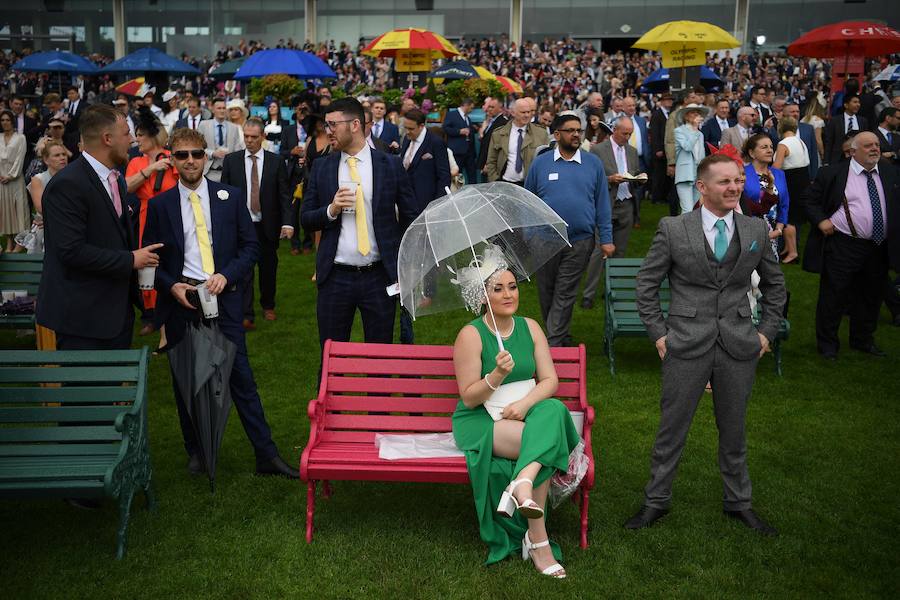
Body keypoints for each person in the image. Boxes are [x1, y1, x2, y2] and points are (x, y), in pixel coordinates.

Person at [626, 154, 787, 536]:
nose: (733, 188)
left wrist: (765, 333)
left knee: (734, 431)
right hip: (684, 343)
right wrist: (660, 336)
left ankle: (738, 503)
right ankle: (656, 502)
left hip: (738, 343)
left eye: (737, 180)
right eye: (724, 182)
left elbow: (776, 287)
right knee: (671, 430)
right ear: (702, 187)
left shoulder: (755, 230)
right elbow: (646, 286)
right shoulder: (672, 228)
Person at [142, 127, 299, 479]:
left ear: (206, 154)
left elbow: (251, 248)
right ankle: (195, 450)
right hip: (183, 302)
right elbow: (152, 260)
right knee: (187, 380)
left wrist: (227, 275)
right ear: (171, 159)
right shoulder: (160, 205)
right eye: (182, 155)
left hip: (223, 299)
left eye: (196, 154)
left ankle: (266, 454)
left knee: (241, 377)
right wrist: (171, 287)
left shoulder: (230, 196)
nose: (191, 161)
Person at [452, 264, 579, 576]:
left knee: (555, 410)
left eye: (512, 286)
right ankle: (539, 542)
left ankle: (523, 482)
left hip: (525, 411)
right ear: (483, 296)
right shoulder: (471, 335)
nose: (508, 294)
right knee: (548, 444)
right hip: (483, 419)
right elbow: (469, 397)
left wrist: (524, 404)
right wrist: (496, 375)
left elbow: (550, 381)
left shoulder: (531, 327)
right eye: (498, 289)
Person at [37, 104, 162, 350]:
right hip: (82, 319)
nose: (133, 140)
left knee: (114, 388)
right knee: (88, 389)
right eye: (126, 133)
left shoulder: (114, 178)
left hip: (115, 312)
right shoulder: (68, 185)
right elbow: (70, 251)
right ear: (107, 139)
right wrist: (130, 260)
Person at [300, 98, 417, 349]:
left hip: (379, 277)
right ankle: (331, 391)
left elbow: (411, 218)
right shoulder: (322, 167)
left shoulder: (390, 165)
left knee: (379, 357)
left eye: (332, 124)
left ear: (355, 124)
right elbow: (306, 219)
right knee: (332, 355)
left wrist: (409, 269)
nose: (327, 130)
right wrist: (331, 210)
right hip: (335, 276)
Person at [800, 131, 899, 360]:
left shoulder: (889, 172)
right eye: (868, 146)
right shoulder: (833, 173)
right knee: (834, 294)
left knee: (871, 295)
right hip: (843, 244)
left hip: (878, 245)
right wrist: (821, 220)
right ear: (853, 151)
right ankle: (827, 345)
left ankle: (863, 339)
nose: (874, 148)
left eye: (876, 144)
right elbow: (809, 200)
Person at [525, 113, 613, 347]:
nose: (576, 134)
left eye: (579, 130)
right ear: (557, 135)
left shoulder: (592, 163)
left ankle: (551, 345)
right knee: (547, 292)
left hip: (580, 240)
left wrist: (606, 238)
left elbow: (602, 203)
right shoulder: (540, 164)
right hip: (544, 239)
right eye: (570, 130)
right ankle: (560, 335)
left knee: (565, 292)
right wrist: (527, 235)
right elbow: (528, 201)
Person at [221, 117, 292, 327]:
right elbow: (224, 193)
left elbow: (284, 195)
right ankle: (246, 313)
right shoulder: (231, 160)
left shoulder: (275, 161)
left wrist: (288, 223)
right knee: (243, 270)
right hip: (241, 225)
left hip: (267, 224)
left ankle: (268, 305)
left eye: (254, 137)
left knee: (268, 267)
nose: (249, 141)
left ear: (263, 136)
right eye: (246, 137)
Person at [398, 108, 452, 344]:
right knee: (409, 247)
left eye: (411, 128)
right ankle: (408, 288)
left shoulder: (435, 143)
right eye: (405, 128)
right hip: (406, 204)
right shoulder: (405, 141)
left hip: (428, 204)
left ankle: (429, 291)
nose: (407, 132)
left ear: (421, 126)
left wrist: (437, 206)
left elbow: (444, 176)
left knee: (428, 249)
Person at [124, 108, 179, 335]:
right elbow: (126, 187)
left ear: (153, 136)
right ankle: (150, 314)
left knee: (170, 260)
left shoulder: (171, 157)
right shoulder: (137, 162)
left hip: (170, 215)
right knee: (146, 262)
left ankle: (169, 309)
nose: (137, 139)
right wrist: (150, 169)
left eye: (141, 135)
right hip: (146, 215)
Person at [581, 116, 643, 309]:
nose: (627, 137)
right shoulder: (598, 150)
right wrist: (610, 179)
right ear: (614, 130)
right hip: (605, 204)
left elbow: (634, 172)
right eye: (625, 133)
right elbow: (590, 179)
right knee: (599, 251)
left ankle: (611, 290)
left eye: (630, 134)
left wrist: (639, 180)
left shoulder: (632, 152)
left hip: (626, 204)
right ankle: (588, 295)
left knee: (620, 251)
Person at [742, 134, 792, 262]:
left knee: (770, 272)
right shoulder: (742, 173)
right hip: (749, 232)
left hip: (773, 233)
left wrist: (779, 230)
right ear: (752, 153)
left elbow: (784, 204)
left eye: (771, 147)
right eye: (764, 147)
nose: (770, 150)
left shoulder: (779, 174)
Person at [484, 98, 549, 185]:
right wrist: (495, 181)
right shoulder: (499, 133)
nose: (527, 115)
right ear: (513, 113)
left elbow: (546, 161)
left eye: (529, 112)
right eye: (523, 112)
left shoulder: (541, 134)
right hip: (504, 183)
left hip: (529, 185)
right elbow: (491, 161)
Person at [773, 117, 809, 264]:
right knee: (792, 217)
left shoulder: (783, 144)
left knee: (788, 218)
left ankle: (793, 252)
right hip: (802, 180)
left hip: (790, 181)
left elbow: (776, 167)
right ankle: (789, 248)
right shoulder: (800, 141)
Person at [21, 140, 68, 253]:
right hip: (44, 230)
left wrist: (51, 218)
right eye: (57, 155)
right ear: (46, 160)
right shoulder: (38, 179)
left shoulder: (74, 178)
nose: (62, 158)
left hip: (67, 227)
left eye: (64, 154)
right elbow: (41, 208)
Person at [0, 109, 29, 251]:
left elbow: (20, 158)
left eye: (8, 120)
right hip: (1, 180)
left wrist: (11, 175)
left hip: (15, 179)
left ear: (13, 121)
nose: (5, 122)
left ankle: (20, 243)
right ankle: (9, 241)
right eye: (3, 120)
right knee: (5, 211)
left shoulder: (20, 138)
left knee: (19, 210)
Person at [673, 105, 709, 214]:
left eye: (698, 114)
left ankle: (695, 230)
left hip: (698, 174)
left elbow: (701, 155)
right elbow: (687, 147)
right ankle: (684, 230)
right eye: (693, 113)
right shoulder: (679, 131)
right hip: (685, 173)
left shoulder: (700, 134)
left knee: (697, 208)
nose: (696, 116)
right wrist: (694, 130)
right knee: (687, 209)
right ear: (686, 116)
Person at [198, 98, 244, 182]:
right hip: (208, 171)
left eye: (224, 108)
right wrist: (212, 153)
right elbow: (197, 147)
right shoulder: (203, 125)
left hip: (228, 171)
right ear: (212, 109)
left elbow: (238, 149)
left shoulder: (234, 127)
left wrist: (230, 154)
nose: (222, 111)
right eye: (219, 108)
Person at [824, 94, 868, 166]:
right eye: (855, 102)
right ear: (846, 105)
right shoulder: (835, 121)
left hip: (858, 159)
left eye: (859, 102)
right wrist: (826, 161)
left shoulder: (863, 121)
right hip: (838, 159)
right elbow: (829, 141)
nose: (858, 105)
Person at [783, 102, 820, 181]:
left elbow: (813, 153)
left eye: (797, 111)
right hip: (785, 174)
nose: (796, 114)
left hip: (805, 173)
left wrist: (814, 176)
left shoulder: (808, 128)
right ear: (784, 114)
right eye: (792, 112)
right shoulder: (776, 130)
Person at [443, 98, 477, 184]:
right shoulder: (451, 114)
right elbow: (445, 128)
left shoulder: (467, 118)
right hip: (457, 152)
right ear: (466, 105)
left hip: (469, 152)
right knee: (457, 177)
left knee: (472, 176)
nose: (472, 110)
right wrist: (459, 131)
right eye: (471, 108)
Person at [649, 93, 673, 206]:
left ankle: (665, 196)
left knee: (667, 175)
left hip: (668, 149)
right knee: (658, 174)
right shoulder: (657, 114)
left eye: (670, 100)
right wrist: (657, 149)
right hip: (659, 149)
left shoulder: (671, 114)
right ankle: (656, 197)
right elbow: (654, 133)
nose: (669, 102)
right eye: (667, 100)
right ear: (662, 101)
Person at [476, 96, 508, 177]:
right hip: (484, 162)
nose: (489, 109)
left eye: (492, 107)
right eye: (489, 106)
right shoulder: (491, 121)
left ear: (501, 109)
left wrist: (488, 164)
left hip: (491, 165)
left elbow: (498, 147)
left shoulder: (503, 123)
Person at [801, 94, 827, 163]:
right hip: (814, 151)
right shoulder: (818, 121)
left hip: (803, 150)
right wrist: (822, 153)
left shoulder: (803, 119)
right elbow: (818, 139)